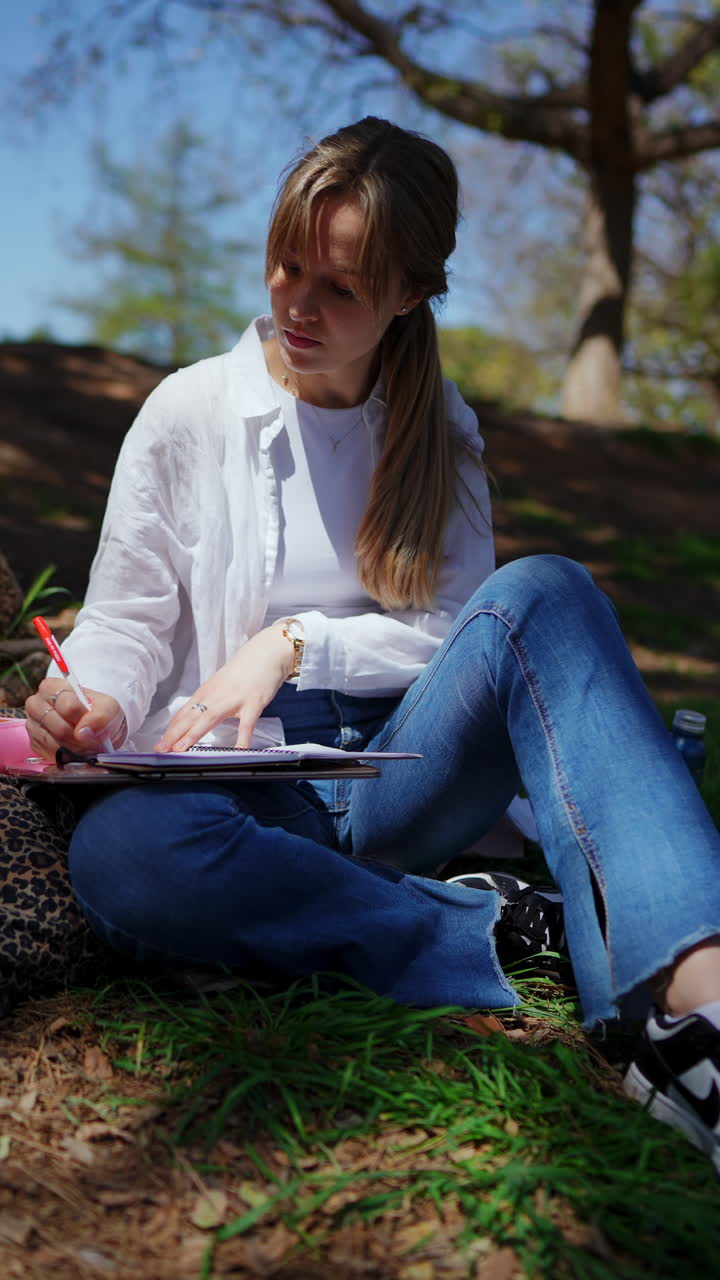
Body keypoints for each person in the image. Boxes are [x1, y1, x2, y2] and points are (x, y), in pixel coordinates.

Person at [18, 116, 720, 1172]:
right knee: (126, 857)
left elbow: (464, 629)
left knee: (548, 593)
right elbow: (125, 619)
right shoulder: (188, 412)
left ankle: (696, 1017)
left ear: (408, 295)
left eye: (339, 287)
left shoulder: (439, 424)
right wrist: (99, 697)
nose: (297, 304)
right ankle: (488, 928)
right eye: (286, 265)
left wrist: (295, 642)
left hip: (406, 768)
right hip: (240, 778)